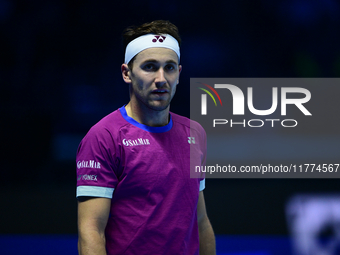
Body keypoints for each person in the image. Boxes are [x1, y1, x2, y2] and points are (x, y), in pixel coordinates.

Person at [76, 20, 215, 255]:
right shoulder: (103, 137)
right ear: (126, 73)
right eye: (150, 67)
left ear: (179, 74)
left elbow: (200, 220)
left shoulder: (195, 133)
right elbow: (91, 230)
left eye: (169, 67)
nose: (161, 78)